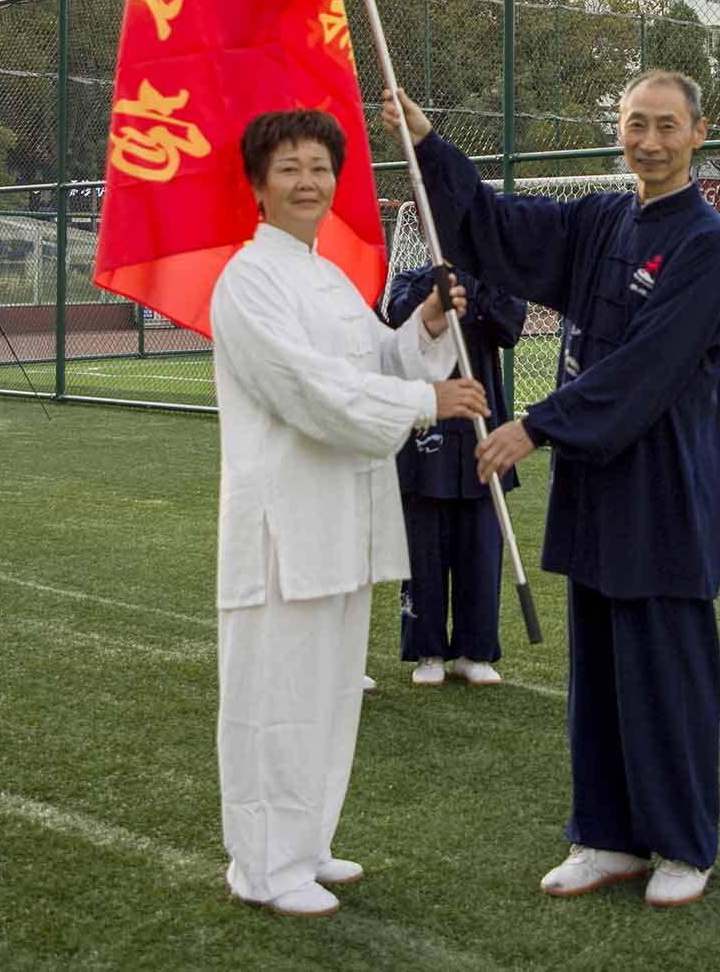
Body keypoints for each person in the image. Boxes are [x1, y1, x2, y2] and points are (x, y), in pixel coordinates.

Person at [382, 71, 720, 909]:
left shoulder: (707, 245)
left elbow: (647, 368)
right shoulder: (600, 219)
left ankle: (684, 843)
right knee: (601, 671)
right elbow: (501, 230)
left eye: (665, 127)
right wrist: (431, 146)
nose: (648, 141)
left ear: (697, 134)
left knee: (666, 672)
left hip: (665, 495)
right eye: (634, 125)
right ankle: (606, 837)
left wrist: (535, 424)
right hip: (595, 487)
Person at [210, 109, 488, 917]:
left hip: (342, 515)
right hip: (281, 521)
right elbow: (306, 388)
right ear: (258, 185)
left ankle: (305, 843)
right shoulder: (249, 279)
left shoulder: (328, 273)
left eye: (320, 168)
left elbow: (376, 357)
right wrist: (421, 399)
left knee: (329, 693)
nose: (308, 182)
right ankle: (260, 865)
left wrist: (427, 326)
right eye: (289, 168)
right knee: (273, 696)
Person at [380, 264, 527, 687]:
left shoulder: (494, 277)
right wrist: (438, 293)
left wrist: (475, 283)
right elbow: (398, 317)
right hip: (427, 433)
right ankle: (427, 650)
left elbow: (510, 326)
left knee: (481, 546)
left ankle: (474, 650)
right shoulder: (412, 279)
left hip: (481, 428)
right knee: (423, 547)